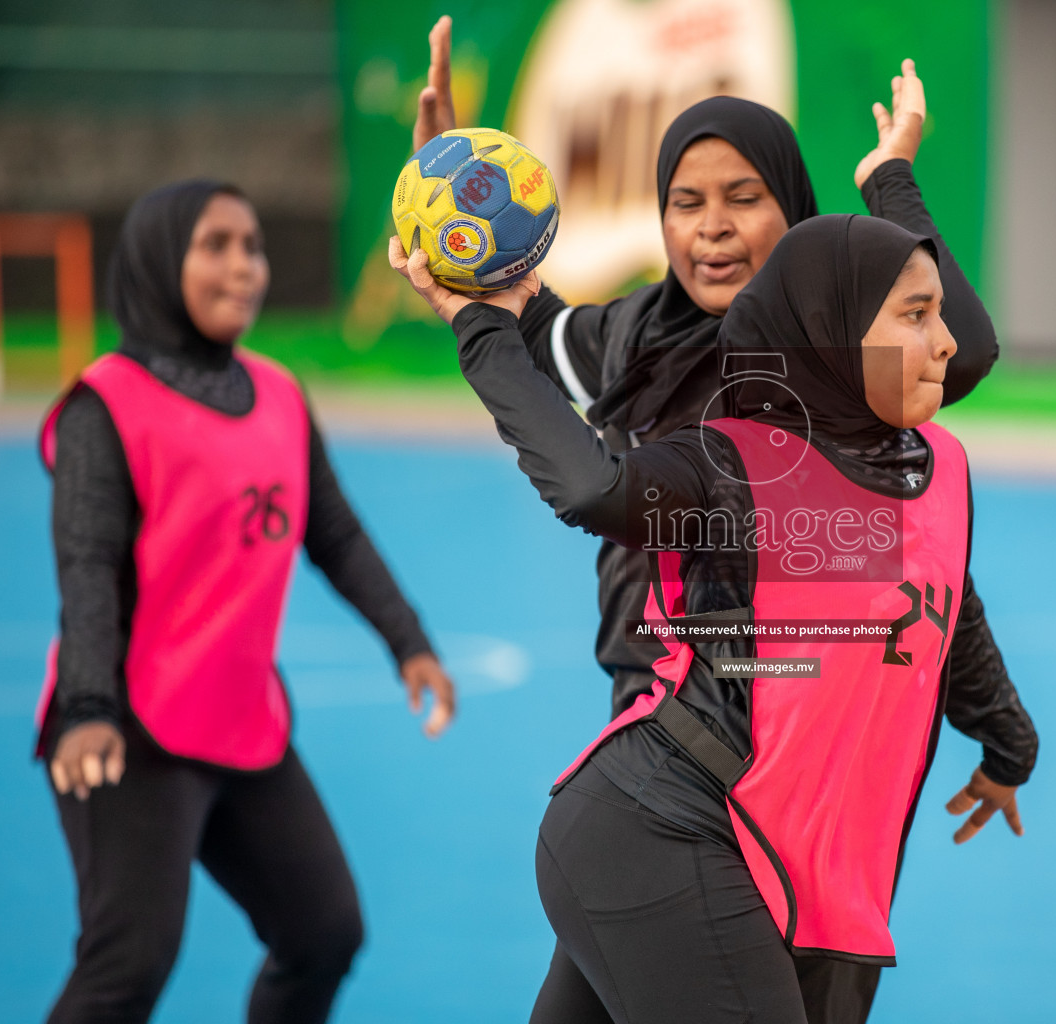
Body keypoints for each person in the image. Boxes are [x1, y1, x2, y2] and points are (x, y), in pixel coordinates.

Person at [412, 20, 1002, 1021]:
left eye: (744, 199)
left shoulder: (827, 368)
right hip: (660, 747)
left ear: (796, 215)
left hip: (768, 759)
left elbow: (968, 348)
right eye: (687, 202)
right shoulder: (634, 335)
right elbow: (528, 318)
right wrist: (460, 197)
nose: (713, 228)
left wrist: (891, 182)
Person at [38, 180, 456, 1024]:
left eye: (254, 246)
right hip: (127, 731)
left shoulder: (279, 393)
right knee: (128, 968)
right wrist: (84, 706)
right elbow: (85, 567)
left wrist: (408, 640)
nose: (244, 266)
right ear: (160, 260)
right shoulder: (106, 403)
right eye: (216, 245)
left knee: (323, 934)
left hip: (243, 724)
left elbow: (332, 532)